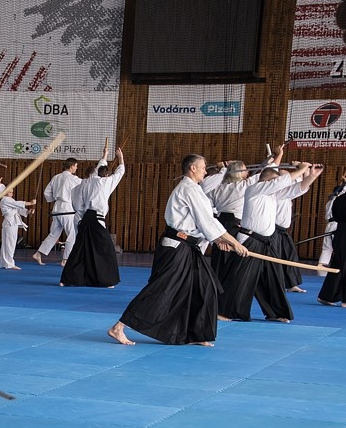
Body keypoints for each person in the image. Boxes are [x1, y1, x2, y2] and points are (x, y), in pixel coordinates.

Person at [107, 154, 248, 346]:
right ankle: (119, 327)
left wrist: (219, 241)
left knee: (204, 287)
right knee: (162, 289)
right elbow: (207, 222)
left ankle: (195, 333)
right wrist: (235, 242)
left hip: (189, 246)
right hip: (176, 247)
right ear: (192, 168)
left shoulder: (195, 190)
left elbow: (205, 222)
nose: (206, 171)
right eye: (203, 167)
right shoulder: (188, 189)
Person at [217, 162, 321, 323]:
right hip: (250, 240)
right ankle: (226, 311)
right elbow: (279, 183)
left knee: (273, 278)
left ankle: (275, 312)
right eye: (274, 182)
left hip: (268, 242)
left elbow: (296, 189)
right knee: (240, 277)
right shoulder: (254, 190)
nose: (277, 186)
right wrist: (300, 170)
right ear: (266, 182)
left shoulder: (273, 195)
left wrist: (312, 175)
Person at [60, 148, 126, 287]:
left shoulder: (89, 181)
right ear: (107, 176)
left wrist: (105, 156)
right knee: (106, 249)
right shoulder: (106, 183)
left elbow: (98, 169)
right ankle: (106, 280)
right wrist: (120, 158)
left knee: (80, 248)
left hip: (86, 218)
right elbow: (120, 173)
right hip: (96, 219)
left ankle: (67, 279)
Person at [206, 159, 265, 275]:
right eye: (244, 169)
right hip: (235, 224)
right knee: (233, 254)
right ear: (238, 172)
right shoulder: (245, 185)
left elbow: (209, 205)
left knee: (220, 254)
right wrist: (276, 158)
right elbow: (265, 174)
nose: (247, 172)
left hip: (220, 222)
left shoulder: (217, 188)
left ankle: (217, 284)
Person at [33, 156, 87, 266]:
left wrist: (56, 198)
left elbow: (47, 192)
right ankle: (65, 259)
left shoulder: (56, 177)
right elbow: (86, 185)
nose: (76, 168)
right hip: (67, 209)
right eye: (76, 166)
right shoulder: (73, 179)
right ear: (71, 166)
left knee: (54, 234)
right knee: (72, 235)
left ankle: (38, 253)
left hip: (57, 208)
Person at [318, 179, 346, 306]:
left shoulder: (339, 199)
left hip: (340, 233)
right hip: (342, 231)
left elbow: (336, 215)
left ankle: (327, 296)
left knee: (337, 265)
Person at [0, 186, 35, 269]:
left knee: (9, 243)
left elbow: (18, 209)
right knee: (9, 243)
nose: (11, 193)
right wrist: (30, 203)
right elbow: (17, 204)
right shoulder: (4, 199)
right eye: (9, 192)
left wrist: (28, 211)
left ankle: (4, 263)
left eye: (12, 192)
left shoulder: (11, 200)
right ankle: (9, 264)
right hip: (9, 223)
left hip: (12, 223)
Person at [318, 172, 344, 269]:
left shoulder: (330, 200)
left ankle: (322, 265)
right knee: (339, 245)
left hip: (329, 225)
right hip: (337, 225)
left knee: (327, 247)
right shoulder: (340, 200)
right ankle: (339, 264)